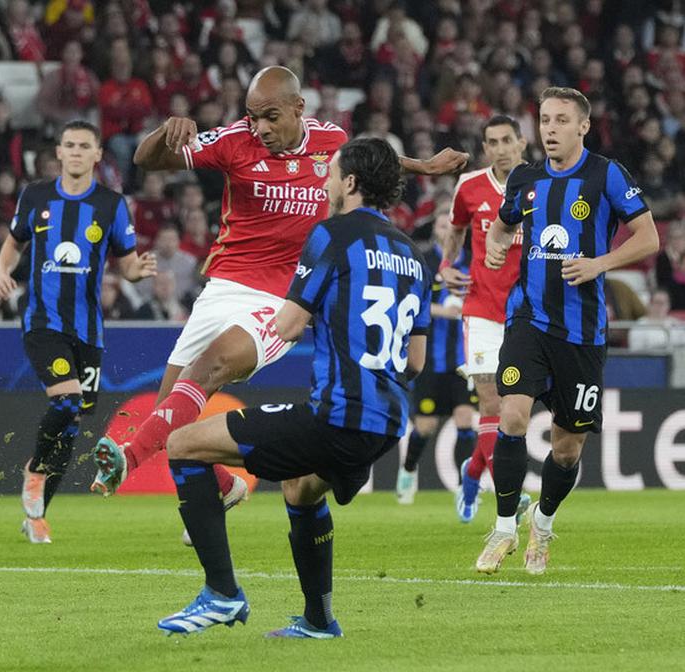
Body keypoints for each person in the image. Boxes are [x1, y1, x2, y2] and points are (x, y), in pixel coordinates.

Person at [90, 66, 467, 546]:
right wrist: (167, 133)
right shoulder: (234, 141)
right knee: (170, 414)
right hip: (224, 285)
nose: (260, 128)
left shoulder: (331, 140)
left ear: (298, 109)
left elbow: (373, 161)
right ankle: (225, 487)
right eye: (253, 118)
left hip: (283, 295)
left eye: (270, 117)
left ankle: (126, 456)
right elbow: (148, 161)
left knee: (210, 367)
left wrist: (425, 167)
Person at [153, 138, 431, 638]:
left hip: (338, 415)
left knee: (182, 444)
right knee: (301, 489)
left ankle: (221, 595)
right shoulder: (413, 254)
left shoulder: (331, 234)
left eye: (331, 174)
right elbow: (416, 359)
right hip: (387, 421)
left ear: (349, 183)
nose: (323, 182)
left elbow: (286, 325)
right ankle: (319, 620)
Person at [477, 88, 660, 575]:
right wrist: (496, 247)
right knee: (511, 415)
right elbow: (501, 226)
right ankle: (503, 529)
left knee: (566, 447)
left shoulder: (607, 174)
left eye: (561, 120)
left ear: (583, 126)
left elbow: (649, 236)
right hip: (528, 320)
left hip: (582, 333)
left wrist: (601, 262)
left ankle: (543, 522)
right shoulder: (525, 178)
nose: (550, 128)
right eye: (544, 120)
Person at [0, 120, 157, 544]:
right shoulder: (36, 196)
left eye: (85, 146)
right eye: (70, 145)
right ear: (59, 153)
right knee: (65, 402)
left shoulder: (111, 204)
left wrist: (138, 271)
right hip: (42, 322)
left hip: (89, 331)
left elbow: (127, 262)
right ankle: (35, 472)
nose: (77, 152)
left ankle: (37, 515)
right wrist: (0, 273)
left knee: (71, 425)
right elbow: (14, 241)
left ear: (98, 155)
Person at [438, 115, 530, 521]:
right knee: (491, 400)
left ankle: (473, 472)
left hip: (527, 312)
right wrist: (445, 263)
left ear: (522, 143)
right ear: (485, 148)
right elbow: (456, 229)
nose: (501, 148)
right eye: (493, 142)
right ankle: (508, 493)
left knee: (512, 411)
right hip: (480, 309)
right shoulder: (470, 186)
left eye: (508, 140)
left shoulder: (542, 185)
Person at [394, 212, 486, 509]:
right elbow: (407, 304)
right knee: (425, 426)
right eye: (442, 225)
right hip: (430, 359)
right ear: (435, 229)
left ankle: (464, 488)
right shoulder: (423, 263)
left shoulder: (473, 261)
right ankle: (408, 470)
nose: (447, 230)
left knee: (464, 420)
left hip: (462, 358)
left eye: (452, 226)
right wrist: (440, 310)